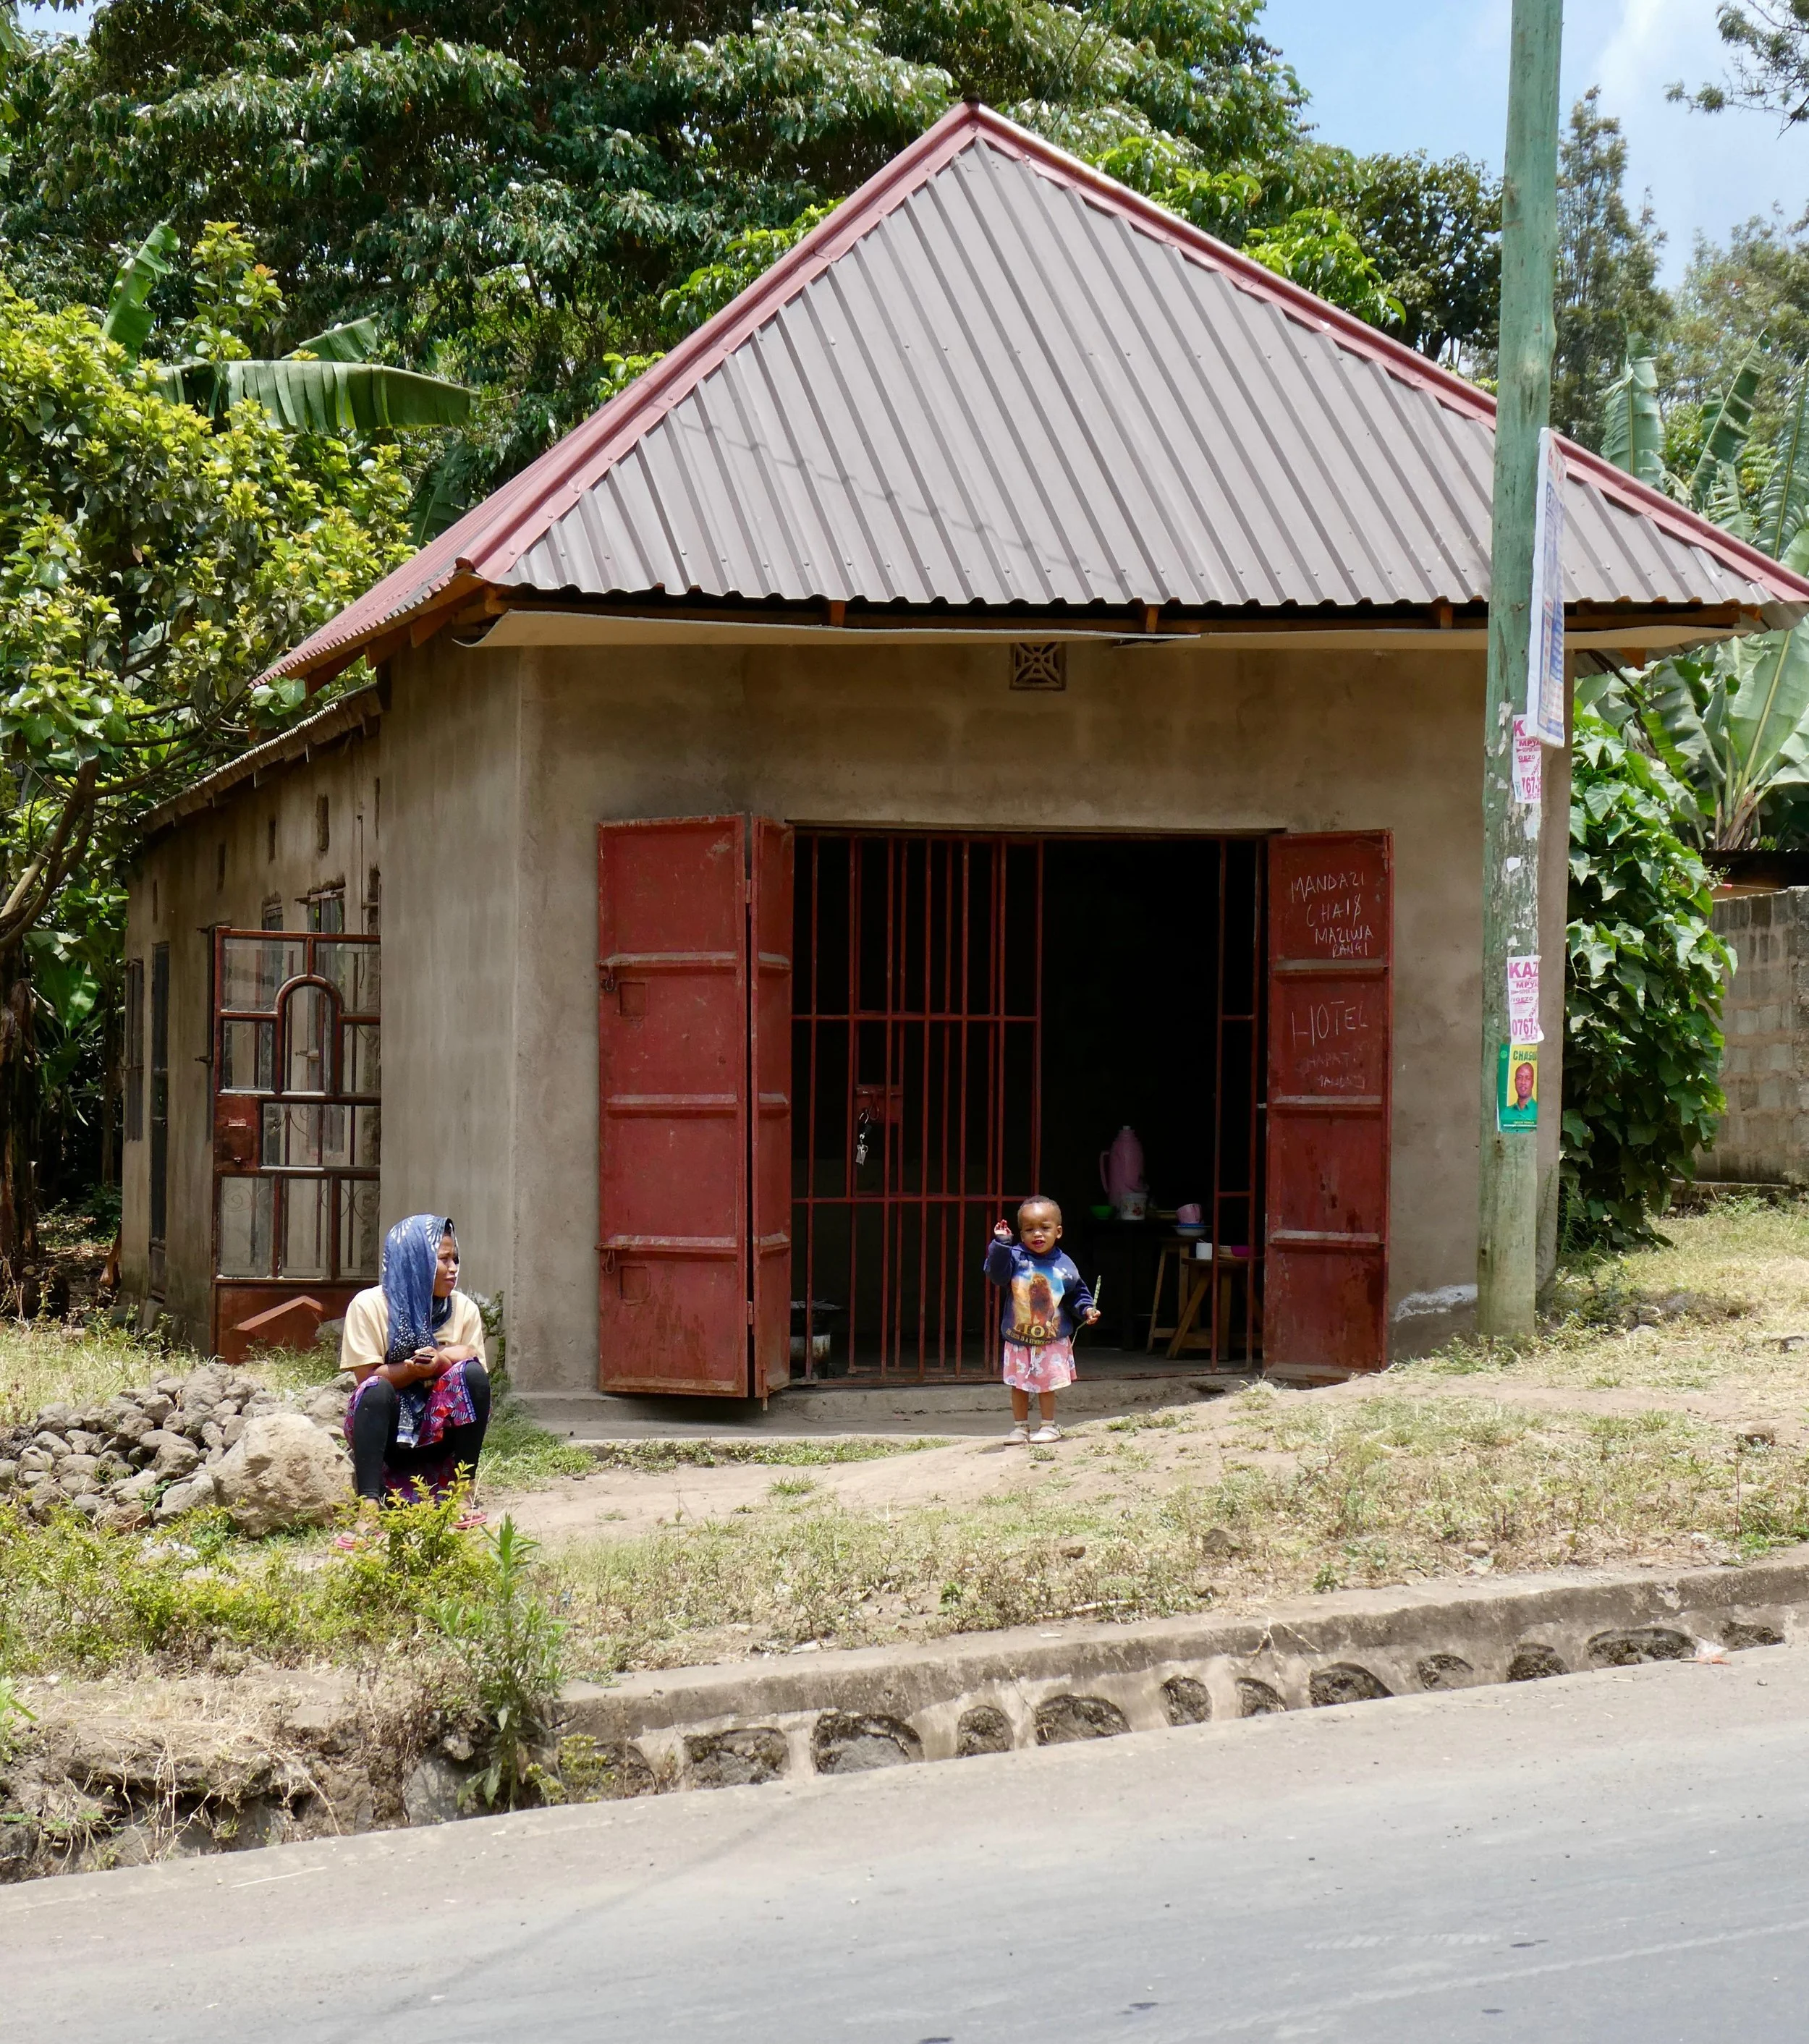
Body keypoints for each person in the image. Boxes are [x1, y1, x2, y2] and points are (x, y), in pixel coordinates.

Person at [336, 1213, 491, 1540]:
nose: (454, 1268)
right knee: (376, 1391)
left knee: (472, 1376)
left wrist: (440, 1361)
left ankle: (463, 1493)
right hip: (389, 1438)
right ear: (416, 1260)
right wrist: (411, 1369)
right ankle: (369, 1507)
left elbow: (473, 1367)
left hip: (439, 1439)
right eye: (444, 1259)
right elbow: (365, 1378)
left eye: (456, 1259)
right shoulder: (369, 1306)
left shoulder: (463, 1310)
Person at [984, 1197, 1098, 1445]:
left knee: (1047, 1384)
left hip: (1050, 1338)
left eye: (1044, 1228)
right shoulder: (1014, 1257)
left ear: (1058, 1232)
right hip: (1019, 1336)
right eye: (1029, 1229)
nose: (1037, 1234)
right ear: (1021, 1234)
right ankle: (1020, 1427)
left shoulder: (1064, 1265)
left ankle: (1048, 1425)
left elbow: (1077, 1293)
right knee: (1018, 1384)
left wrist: (1087, 1309)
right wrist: (1001, 1245)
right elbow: (995, 1273)